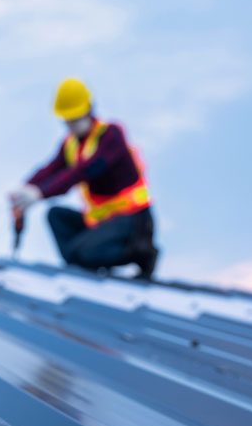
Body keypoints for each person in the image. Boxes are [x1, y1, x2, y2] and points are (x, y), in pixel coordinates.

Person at [10, 78, 158, 279]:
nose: (71, 124)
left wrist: (41, 193)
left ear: (89, 109)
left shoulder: (111, 135)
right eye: (67, 119)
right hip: (100, 222)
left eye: (75, 118)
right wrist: (25, 189)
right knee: (55, 216)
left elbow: (84, 171)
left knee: (80, 253)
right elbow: (51, 169)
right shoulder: (71, 145)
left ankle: (143, 255)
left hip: (133, 221)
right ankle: (87, 264)